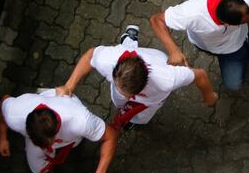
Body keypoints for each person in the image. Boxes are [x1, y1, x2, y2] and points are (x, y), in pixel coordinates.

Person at [57, 25, 218, 131]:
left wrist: (208, 94)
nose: (124, 94)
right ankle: (129, 40)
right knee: (118, 101)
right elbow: (90, 56)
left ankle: (129, 40)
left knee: (142, 117)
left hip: (152, 96)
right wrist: (69, 85)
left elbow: (200, 75)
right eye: (119, 86)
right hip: (130, 57)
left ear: (143, 86)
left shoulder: (167, 78)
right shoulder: (110, 59)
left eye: (128, 93)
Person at [150, 0, 249, 91]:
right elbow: (156, 19)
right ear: (225, 24)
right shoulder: (192, 13)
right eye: (243, 22)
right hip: (206, 45)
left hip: (234, 47)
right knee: (234, 84)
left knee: (235, 82)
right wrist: (173, 50)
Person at [0, 89, 117, 173]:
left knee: (76, 142)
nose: (45, 148)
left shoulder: (81, 121)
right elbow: (3, 103)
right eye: (41, 144)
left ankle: (55, 95)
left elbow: (110, 136)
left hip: (70, 123)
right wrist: (3, 137)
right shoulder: (15, 115)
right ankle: (46, 94)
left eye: (48, 143)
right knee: (37, 168)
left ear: (57, 125)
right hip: (43, 119)